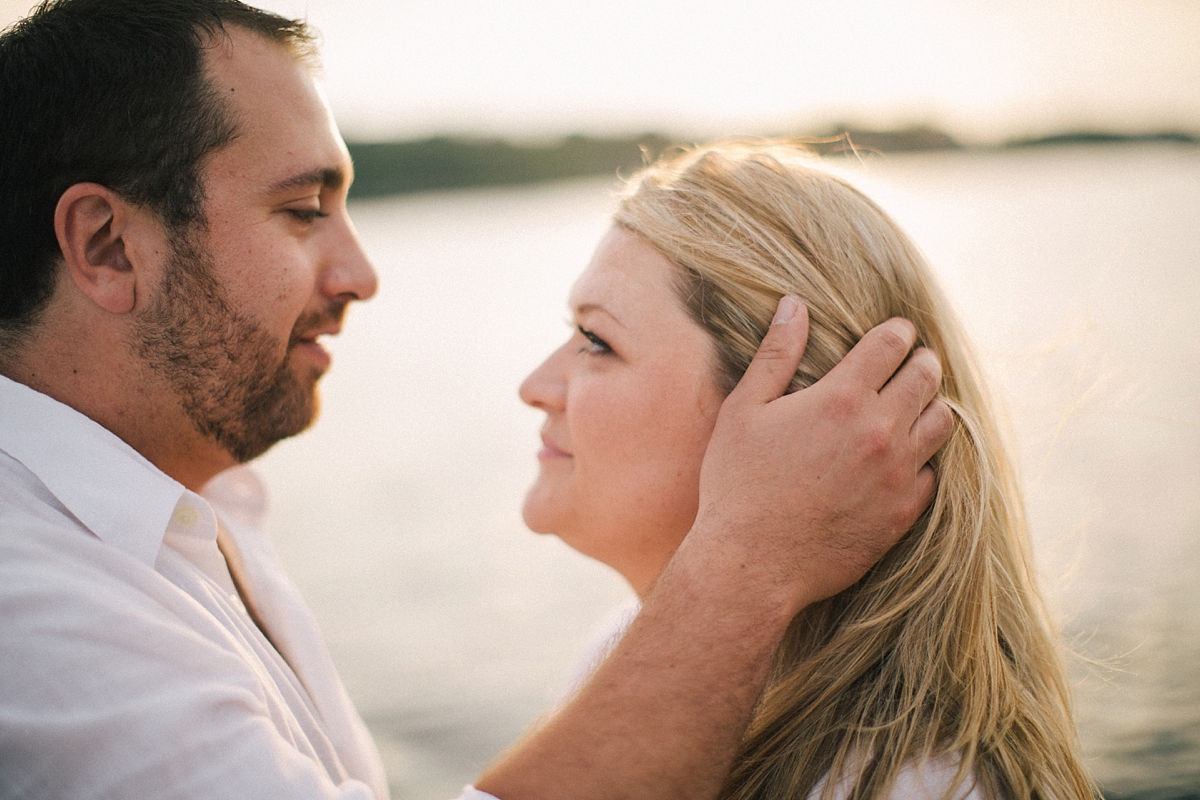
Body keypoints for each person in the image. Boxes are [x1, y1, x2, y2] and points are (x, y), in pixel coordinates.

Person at [0, 2, 953, 798]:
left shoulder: (194, 515)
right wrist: (745, 564)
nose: (362, 273)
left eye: (597, 341)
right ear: (108, 246)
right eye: (302, 210)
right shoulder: (28, 610)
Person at [520, 142, 1099, 800]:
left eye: (597, 341)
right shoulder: (618, 656)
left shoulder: (916, 785)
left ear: (806, 415)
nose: (534, 385)